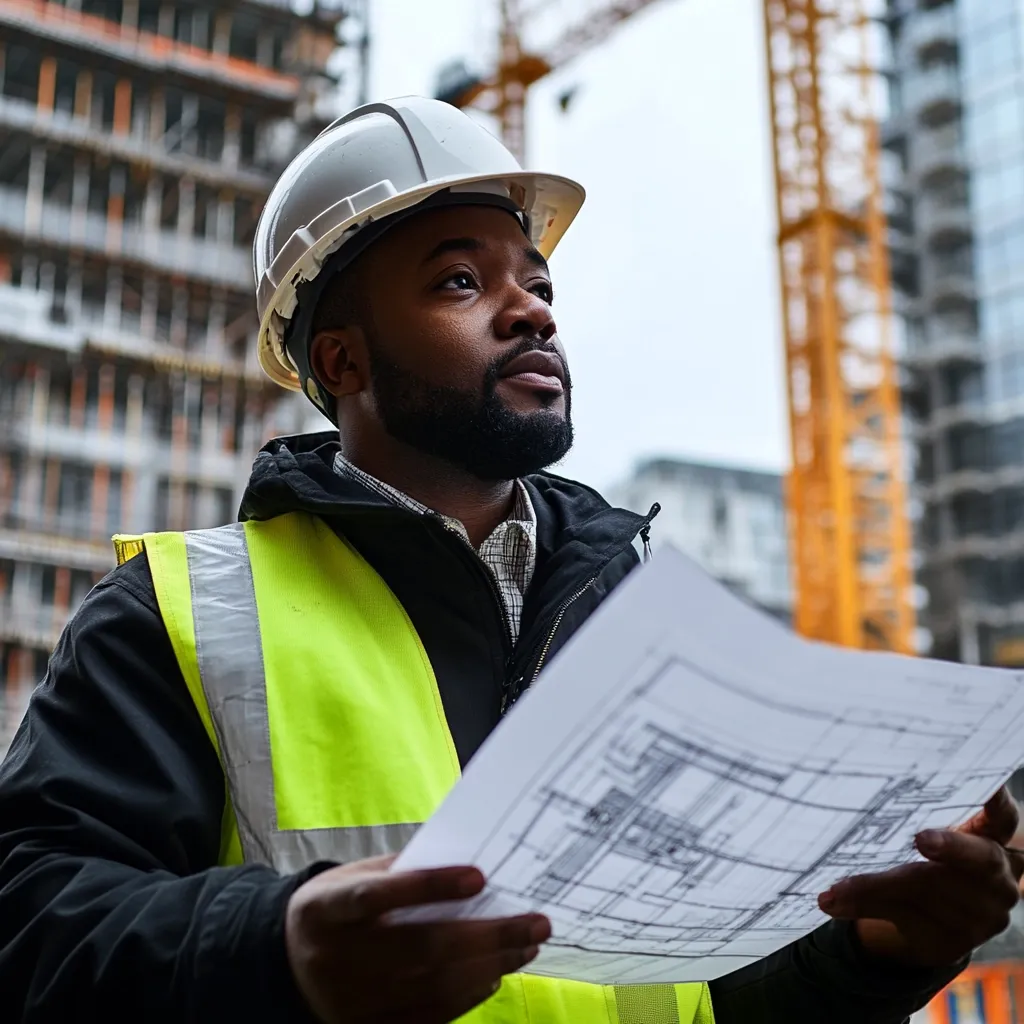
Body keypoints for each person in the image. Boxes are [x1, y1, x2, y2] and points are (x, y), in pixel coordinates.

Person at [0, 97, 1020, 1024]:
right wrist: (272, 949)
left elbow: (708, 997)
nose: (533, 309)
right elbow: (27, 923)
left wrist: (881, 948)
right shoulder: (181, 614)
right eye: (459, 280)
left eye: (536, 281)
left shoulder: (649, 626)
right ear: (341, 361)